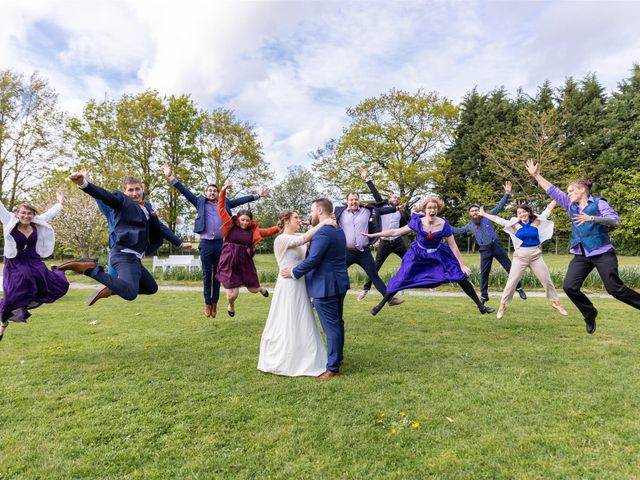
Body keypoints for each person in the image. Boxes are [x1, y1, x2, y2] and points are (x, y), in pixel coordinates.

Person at [526, 159, 640, 334]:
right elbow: (552, 190)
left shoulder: (599, 203)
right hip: (582, 254)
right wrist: (536, 175)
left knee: (615, 289)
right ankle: (589, 313)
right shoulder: (570, 205)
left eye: (571, 190)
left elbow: (615, 220)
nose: (568, 193)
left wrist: (592, 218)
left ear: (582, 190)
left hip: (602, 252)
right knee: (569, 286)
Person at [55, 173, 192, 305]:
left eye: (137, 189)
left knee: (151, 288)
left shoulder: (148, 207)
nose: (134, 193)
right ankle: (90, 269)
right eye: (130, 190)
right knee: (130, 294)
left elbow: (160, 228)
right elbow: (105, 196)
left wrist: (179, 243)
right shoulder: (121, 201)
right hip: (123, 254)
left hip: (135, 258)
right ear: (124, 192)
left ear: (142, 189)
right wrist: (84, 184)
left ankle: (111, 289)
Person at [163, 165, 268, 318]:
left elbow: (241, 200)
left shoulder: (225, 203)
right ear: (206, 193)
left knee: (218, 275)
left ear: (218, 193)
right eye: (210, 190)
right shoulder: (199, 202)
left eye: (215, 190)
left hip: (221, 244)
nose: (212, 192)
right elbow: (184, 191)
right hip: (205, 243)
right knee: (207, 274)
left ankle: (215, 302)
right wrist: (171, 177)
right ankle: (207, 303)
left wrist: (258, 195)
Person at [364, 196, 495, 316]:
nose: (432, 210)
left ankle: (481, 306)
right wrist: (374, 235)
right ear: (425, 209)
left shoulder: (444, 224)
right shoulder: (417, 222)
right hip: (418, 256)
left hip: (438, 255)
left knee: (460, 277)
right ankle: (380, 304)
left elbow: (453, 246)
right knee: (401, 279)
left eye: (435, 208)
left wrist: (462, 265)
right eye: (430, 208)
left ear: (438, 209)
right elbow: (395, 231)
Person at [258, 210, 337, 376]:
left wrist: (327, 222)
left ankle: (306, 356)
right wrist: (324, 222)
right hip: (287, 285)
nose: (299, 220)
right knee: (288, 318)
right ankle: (286, 359)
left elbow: (309, 236)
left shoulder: (299, 235)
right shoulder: (281, 239)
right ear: (286, 220)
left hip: (300, 283)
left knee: (303, 318)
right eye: (296, 218)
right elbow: (303, 238)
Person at [280, 198, 350, 379]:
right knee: (338, 323)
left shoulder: (323, 232)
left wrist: (294, 271)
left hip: (325, 286)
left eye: (312, 211)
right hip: (339, 282)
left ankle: (333, 367)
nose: (310, 215)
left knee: (331, 327)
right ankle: (338, 357)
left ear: (320, 211)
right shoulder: (338, 229)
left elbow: (313, 260)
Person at [478, 201, 568, 320]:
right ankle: (502, 306)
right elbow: (498, 219)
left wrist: (557, 197)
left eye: (524, 212)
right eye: (519, 213)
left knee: (546, 279)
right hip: (520, 256)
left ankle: (556, 303)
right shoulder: (514, 223)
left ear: (529, 212)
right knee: (512, 281)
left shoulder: (536, 221)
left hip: (536, 256)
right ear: (517, 215)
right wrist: (484, 214)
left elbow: (548, 210)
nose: (522, 214)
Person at [0, 191, 69, 341]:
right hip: (15, 263)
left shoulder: (37, 222)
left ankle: (56, 271)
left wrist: (60, 202)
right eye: (23, 213)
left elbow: (50, 214)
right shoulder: (8, 221)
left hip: (33, 261)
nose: (26, 216)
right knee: (10, 298)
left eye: (29, 213)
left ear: (33, 215)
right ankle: (3, 323)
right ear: (17, 214)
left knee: (58, 285)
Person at [451, 182, 527, 304]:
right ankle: (484, 296)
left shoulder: (487, 216)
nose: (475, 212)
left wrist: (507, 193)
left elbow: (499, 207)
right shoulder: (470, 225)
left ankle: (519, 287)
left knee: (510, 268)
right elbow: (456, 230)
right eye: (472, 211)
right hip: (484, 250)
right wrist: (442, 224)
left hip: (496, 246)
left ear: (480, 211)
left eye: (476, 210)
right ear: (470, 214)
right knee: (484, 273)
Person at [217, 181, 279, 317]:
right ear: (238, 219)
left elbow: (268, 231)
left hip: (245, 262)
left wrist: (279, 226)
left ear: (250, 221)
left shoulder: (253, 232)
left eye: (247, 220)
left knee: (253, 289)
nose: (245, 222)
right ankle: (231, 305)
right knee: (232, 294)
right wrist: (223, 190)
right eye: (242, 219)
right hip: (229, 262)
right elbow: (221, 208)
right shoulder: (230, 226)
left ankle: (260, 288)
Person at [335, 191, 403, 306]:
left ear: (359, 200)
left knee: (374, 276)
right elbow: (326, 218)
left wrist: (396, 209)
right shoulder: (340, 212)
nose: (354, 202)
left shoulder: (367, 211)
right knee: (335, 273)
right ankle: (322, 298)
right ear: (347, 201)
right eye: (351, 200)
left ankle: (390, 299)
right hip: (346, 252)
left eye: (356, 199)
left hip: (363, 253)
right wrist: (310, 221)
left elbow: (382, 210)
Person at [357, 166, 410, 302]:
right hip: (384, 242)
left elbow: (411, 223)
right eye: (394, 196)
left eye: (398, 197)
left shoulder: (402, 212)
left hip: (398, 241)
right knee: (375, 268)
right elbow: (375, 193)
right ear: (389, 199)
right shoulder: (381, 207)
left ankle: (405, 284)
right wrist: (367, 178)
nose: (396, 198)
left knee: (410, 260)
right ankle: (365, 290)